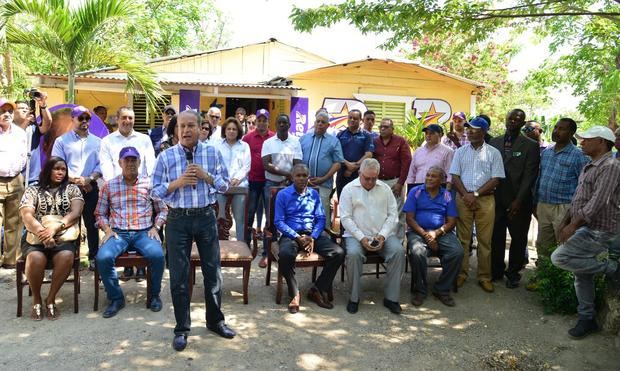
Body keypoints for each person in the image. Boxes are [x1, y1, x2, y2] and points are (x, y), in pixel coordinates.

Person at [151, 110, 236, 352]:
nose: (186, 131)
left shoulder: (212, 152)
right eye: (182, 126)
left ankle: (215, 321)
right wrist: (177, 183)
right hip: (177, 220)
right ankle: (181, 328)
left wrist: (206, 176)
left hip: (206, 216)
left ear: (201, 128)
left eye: (191, 126)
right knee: (178, 276)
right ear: (176, 129)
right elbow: (154, 191)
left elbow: (224, 183)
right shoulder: (166, 157)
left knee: (213, 273)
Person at [551, 125, 620, 339]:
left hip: (602, 230)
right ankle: (587, 318)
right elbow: (578, 198)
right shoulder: (590, 165)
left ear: (601, 142)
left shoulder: (610, 165)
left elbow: (598, 201)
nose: (582, 142)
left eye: (587, 139)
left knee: (560, 257)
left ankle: (612, 268)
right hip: (587, 227)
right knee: (581, 274)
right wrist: (565, 221)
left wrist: (572, 226)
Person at [95, 146, 167, 318]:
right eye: (126, 160)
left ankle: (154, 295)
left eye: (134, 160)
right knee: (102, 258)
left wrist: (156, 227)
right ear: (120, 163)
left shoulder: (149, 184)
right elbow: (99, 212)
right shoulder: (109, 186)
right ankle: (116, 298)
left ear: (139, 162)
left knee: (157, 256)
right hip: (118, 233)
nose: (130, 163)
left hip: (144, 232)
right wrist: (106, 229)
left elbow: (163, 209)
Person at [19, 157, 84, 320]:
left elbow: (76, 213)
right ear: (47, 170)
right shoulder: (32, 190)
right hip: (36, 237)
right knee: (35, 258)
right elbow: (26, 215)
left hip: (63, 237)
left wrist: (55, 228)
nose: (60, 172)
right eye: (56, 169)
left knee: (67, 256)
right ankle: (36, 299)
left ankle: (51, 298)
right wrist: (43, 232)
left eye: (63, 169)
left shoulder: (72, 189)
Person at [274, 164, 345, 313]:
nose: (301, 178)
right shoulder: (283, 195)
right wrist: (297, 237)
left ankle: (318, 289)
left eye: (304, 175)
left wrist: (312, 237)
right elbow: (278, 221)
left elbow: (321, 218)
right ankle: (294, 293)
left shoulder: (314, 194)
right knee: (285, 254)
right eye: (298, 175)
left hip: (311, 234)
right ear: (292, 177)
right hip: (291, 234)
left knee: (338, 253)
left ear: (308, 177)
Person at [339, 158, 405, 315]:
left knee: (398, 251)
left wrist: (382, 236)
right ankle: (354, 298)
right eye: (366, 178)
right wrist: (362, 238)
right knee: (354, 254)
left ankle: (391, 298)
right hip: (356, 236)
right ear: (359, 173)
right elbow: (345, 218)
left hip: (382, 234)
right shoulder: (348, 189)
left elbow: (393, 215)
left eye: (374, 178)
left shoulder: (385, 189)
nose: (370, 181)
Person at [449, 117, 505, 292]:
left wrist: (476, 194)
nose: (469, 131)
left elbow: (496, 178)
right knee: (462, 240)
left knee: (485, 241)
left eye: (474, 129)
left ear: (484, 131)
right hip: (463, 198)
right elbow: (455, 176)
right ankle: (461, 274)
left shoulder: (493, 153)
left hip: (486, 200)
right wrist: (467, 195)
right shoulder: (460, 152)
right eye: (468, 128)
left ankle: (484, 276)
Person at [99, 106, 156, 278]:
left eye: (131, 118)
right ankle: (127, 266)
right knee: (121, 227)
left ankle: (140, 266)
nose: (127, 121)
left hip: (140, 188)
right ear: (117, 119)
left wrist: (145, 183)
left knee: (141, 226)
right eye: (124, 117)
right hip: (117, 191)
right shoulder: (107, 141)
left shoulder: (144, 139)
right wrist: (116, 185)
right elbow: (105, 164)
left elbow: (150, 163)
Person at [489, 109, 540, 288]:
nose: (513, 121)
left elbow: (530, 175)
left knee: (518, 239)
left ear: (523, 123)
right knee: (496, 236)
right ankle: (496, 270)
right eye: (511, 118)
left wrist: (518, 200)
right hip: (496, 199)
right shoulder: (493, 142)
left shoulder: (530, 145)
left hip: (520, 200)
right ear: (506, 119)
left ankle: (513, 273)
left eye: (518, 119)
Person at [51, 106, 102, 271]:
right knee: (68, 225)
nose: (85, 121)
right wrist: (77, 180)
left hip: (90, 188)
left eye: (87, 118)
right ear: (72, 119)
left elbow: (101, 165)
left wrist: (90, 178)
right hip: (68, 189)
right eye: (81, 118)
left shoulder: (98, 142)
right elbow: (57, 164)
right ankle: (69, 259)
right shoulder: (62, 141)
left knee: (92, 224)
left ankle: (93, 257)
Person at [404, 166, 463, 307]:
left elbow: (452, 221)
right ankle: (420, 291)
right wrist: (426, 236)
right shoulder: (415, 192)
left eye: (433, 176)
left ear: (442, 180)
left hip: (441, 232)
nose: (429, 178)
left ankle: (442, 289)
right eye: (428, 175)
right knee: (418, 252)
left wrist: (436, 234)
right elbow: (409, 219)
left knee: (457, 252)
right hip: (418, 232)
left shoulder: (447, 195)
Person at [534, 118, 588, 258]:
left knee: (563, 245)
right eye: (556, 127)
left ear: (571, 133)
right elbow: (540, 178)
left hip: (564, 207)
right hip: (544, 205)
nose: (556, 131)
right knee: (543, 244)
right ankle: (543, 276)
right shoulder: (547, 152)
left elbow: (584, 186)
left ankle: (558, 278)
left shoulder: (579, 155)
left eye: (562, 129)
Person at [299, 111, 344, 230]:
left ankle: (324, 239)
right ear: (314, 123)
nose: (319, 124)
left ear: (328, 125)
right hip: (304, 184)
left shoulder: (333, 141)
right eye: (318, 121)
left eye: (323, 122)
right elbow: (297, 160)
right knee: (304, 213)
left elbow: (338, 163)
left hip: (323, 184)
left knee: (322, 214)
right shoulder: (303, 139)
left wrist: (324, 178)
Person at [261, 114, 303, 235]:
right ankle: (267, 249)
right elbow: (266, 164)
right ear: (275, 125)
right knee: (271, 215)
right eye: (279, 122)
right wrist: (287, 174)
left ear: (289, 125)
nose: (281, 125)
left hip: (290, 185)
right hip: (271, 184)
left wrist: (289, 178)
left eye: (284, 123)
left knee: (289, 214)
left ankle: (286, 244)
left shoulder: (295, 142)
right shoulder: (268, 143)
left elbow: (298, 163)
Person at [242, 109, 273, 267]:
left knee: (270, 215)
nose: (261, 123)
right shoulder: (247, 138)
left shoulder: (273, 137)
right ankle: (246, 247)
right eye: (259, 120)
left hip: (269, 181)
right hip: (253, 181)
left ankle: (267, 252)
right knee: (250, 214)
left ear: (268, 122)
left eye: (264, 120)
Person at [0, 98, 27, 268]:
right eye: (3, 111)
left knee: (15, 222)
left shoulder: (20, 133)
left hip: (16, 179)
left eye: (10, 111)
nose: (7, 114)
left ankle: (11, 261)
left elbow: (23, 156)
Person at [373, 117, 412, 237]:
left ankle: (398, 242)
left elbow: (407, 161)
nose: (382, 129)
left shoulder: (400, 141)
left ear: (392, 129)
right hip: (378, 182)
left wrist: (400, 182)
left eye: (386, 127)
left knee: (397, 212)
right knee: (379, 211)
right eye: (381, 127)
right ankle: (381, 239)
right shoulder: (375, 141)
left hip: (395, 181)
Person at [214, 117, 251, 241]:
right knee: (220, 218)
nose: (231, 131)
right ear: (224, 130)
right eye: (229, 129)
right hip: (221, 186)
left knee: (239, 218)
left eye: (234, 129)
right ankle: (220, 246)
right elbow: (214, 165)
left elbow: (246, 166)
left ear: (238, 131)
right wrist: (222, 180)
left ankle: (241, 246)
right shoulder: (217, 145)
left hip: (239, 187)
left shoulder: (244, 146)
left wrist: (237, 179)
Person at [14, 93, 52, 186]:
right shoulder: (8, 128)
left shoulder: (33, 128)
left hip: (32, 180)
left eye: (27, 109)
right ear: (13, 112)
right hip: (12, 180)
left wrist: (43, 105)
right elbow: (16, 138)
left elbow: (47, 123)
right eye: (21, 108)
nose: (25, 110)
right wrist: (26, 122)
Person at [335, 109, 374, 197]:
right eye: (350, 117)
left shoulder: (367, 135)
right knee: (343, 200)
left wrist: (354, 167)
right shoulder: (340, 135)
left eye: (355, 118)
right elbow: (336, 153)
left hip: (360, 174)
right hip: (342, 173)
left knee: (359, 203)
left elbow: (369, 154)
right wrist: (348, 165)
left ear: (361, 120)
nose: (352, 120)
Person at [406, 124, 454, 192]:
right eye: (426, 133)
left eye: (432, 133)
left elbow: (450, 175)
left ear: (440, 135)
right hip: (419, 188)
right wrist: (410, 189)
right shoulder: (418, 151)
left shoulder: (448, 152)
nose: (428, 136)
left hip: (438, 190)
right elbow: (411, 173)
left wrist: (447, 192)